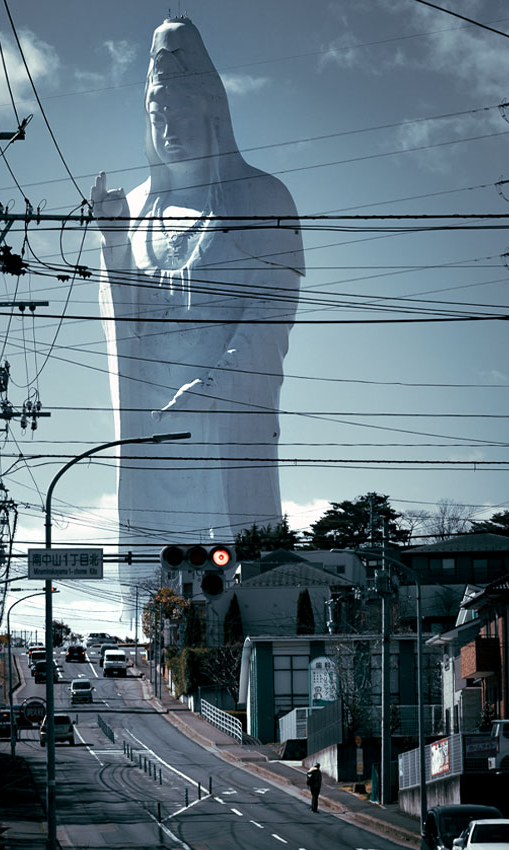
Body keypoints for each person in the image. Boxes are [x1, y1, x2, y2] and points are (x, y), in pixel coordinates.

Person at [90, 19, 305, 574]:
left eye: (181, 111)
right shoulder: (135, 206)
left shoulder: (261, 196)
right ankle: (153, 627)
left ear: (213, 113)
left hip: (223, 410)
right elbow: (125, 326)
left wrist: (213, 387)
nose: (169, 128)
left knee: (234, 550)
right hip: (153, 414)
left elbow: (271, 314)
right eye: (158, 115)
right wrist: (113, 244)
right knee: (156, 555)